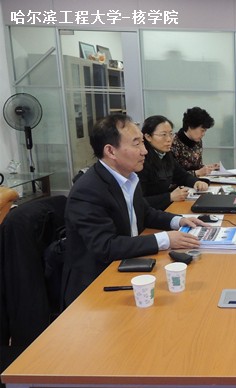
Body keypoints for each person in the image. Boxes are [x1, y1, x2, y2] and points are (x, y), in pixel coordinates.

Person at [61, 114, 205, 307]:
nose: (144, 151)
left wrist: (178, 221)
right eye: (136, 144)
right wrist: (165, 239)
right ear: (111, 151)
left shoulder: (128, 177)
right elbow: (106, 247)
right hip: (96, 287)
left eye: (142, 143)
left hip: (128, 265)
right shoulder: (88, 190)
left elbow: (145, 213)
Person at [138, 115, 210, 210]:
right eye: (163, 135)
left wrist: (196, 182)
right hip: (152, 213)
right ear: (148, 137)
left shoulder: (165, 154)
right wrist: (170, 197)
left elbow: (181, 175)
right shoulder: (141, 161)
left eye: (170, 134)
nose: (169, 139)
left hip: (165, 208)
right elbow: (138, 202)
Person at [171, 106, 220, 177]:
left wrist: (210, 168)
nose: (203, 134)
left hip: (196, 181)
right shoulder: (172, 142)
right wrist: (197, 173)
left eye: (205, 131)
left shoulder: (198, 142)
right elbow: (172, 174)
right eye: (202, 130)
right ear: (190, 126)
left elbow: (197, 166)